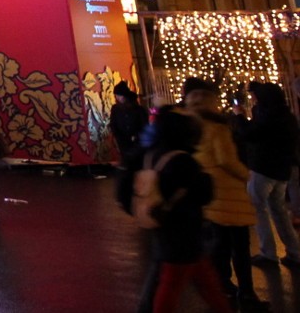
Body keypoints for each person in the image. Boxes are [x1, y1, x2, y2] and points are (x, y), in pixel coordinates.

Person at [119, 107, 230, 313]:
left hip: (160, 224)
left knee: (199, 276)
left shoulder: (148, 155)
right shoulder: (183, 160)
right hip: (185, 227)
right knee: (175, 282)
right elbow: (204, 194)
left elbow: (126, 188)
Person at [184, 76, 261, 307]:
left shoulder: (189, 125)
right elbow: (226, 159)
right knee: (239, 246)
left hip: (208, 194)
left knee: (219, 245)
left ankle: (224, 286)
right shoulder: (217, 126)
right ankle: (246, 293)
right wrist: (245, 173)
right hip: (229, 194)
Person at [244, 81, 299, 268]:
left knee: (258, 209)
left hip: (264, 169)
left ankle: (268, 252)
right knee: (279, 210)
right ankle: (294, 251)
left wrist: (240, 118)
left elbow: (251, 135)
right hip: (281, 170)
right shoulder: (286, 116)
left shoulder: (269, 118)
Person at [109, 81, 149, 166]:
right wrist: (117, 135)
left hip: (136, 140)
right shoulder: (116, 109)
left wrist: (137, 135)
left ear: (122, 96)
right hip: (123, 140)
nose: (116, 97)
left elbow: (144, 124)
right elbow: (113, 123)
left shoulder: (137, 109)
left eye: (117, 95)